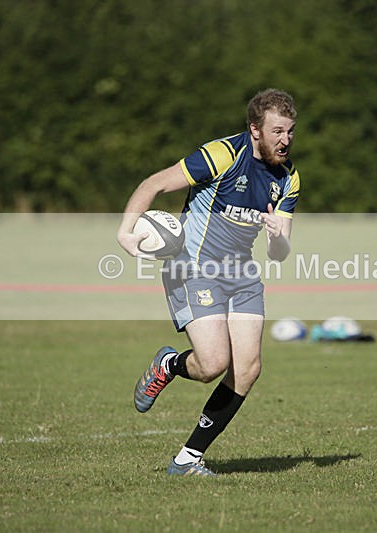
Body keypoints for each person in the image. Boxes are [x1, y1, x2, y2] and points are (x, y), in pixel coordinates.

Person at [116, 89, 300, 477]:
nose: (285, 140)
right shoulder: (222, 155)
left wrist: (276, 237)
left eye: (290, 131)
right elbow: (153, 184)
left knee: (247, 369)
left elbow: (280, 252)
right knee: (212, 364)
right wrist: (125, 232)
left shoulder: (288, 178)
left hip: (242, 275)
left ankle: (188, 459)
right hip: (193, 268)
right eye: (277, 131)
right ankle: (169, 364)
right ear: (255, 129)